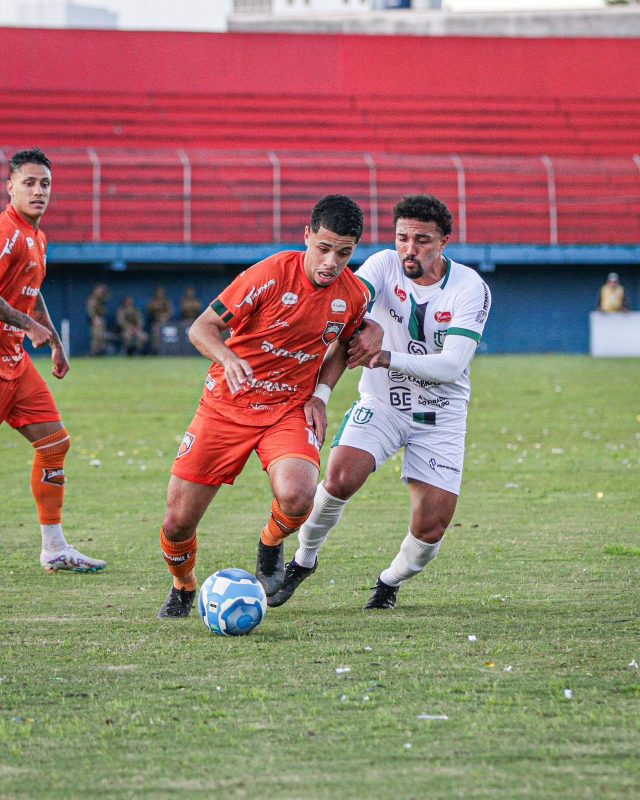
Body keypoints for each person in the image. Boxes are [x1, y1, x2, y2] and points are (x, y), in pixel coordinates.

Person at [156, 194, 378, 618]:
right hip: (225, 406)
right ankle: (183, 585)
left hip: (288, 409)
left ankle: (270, 543)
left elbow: (344, 347)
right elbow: (202, 328)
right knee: (177, 522)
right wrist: (228, 356)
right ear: (307, 236)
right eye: (324, 248)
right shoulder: (271, 273)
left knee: (298, 495)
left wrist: (320, 394)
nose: (332, 261)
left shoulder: (352, 295)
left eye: (345, 253)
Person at [267, 194, 492, 610]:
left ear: (445, 241)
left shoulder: (470, 288)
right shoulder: (383, 265)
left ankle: (389, 581)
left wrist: (383, 354)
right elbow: (351, 310)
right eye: (403, 237)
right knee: (339, 478)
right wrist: (364, 323)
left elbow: (451, 365)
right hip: (384, 402)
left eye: (422, 240)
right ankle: (302, 561)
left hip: (439, 415)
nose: (410, 248)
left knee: (430, 529)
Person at [0, 148, 106, 573]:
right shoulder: (6, 231)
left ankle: (54, 548)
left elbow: (30, 288)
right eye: (29, 182)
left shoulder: (36, 236)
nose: (38, 190)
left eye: (45, 183)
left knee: (54, 443)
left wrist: (55, 340)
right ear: (10, 187)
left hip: (16, 362)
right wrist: (31, 324)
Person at [147, 286, 174, 354]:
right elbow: (149, 312)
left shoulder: (166, 301)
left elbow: (170, 312)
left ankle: (168, 351)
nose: (160, 294)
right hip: (155, 322)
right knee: (156, 334)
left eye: (161, 292)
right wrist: (158, 317)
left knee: (170, 334)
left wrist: (164, 317)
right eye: (159, 292)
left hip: (166, 323)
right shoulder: (153, 301)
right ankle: (155, 352)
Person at [86, 283, 110, 355]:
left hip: (100, 320)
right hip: (94, 321)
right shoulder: (92, 300)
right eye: (99, 291)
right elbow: (91, 311)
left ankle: (101, 351)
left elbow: (108, 296)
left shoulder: (102, 300)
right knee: (96, 337)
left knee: (101, 337)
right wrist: (95, 318)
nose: (100, 292)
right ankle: (94, 351)